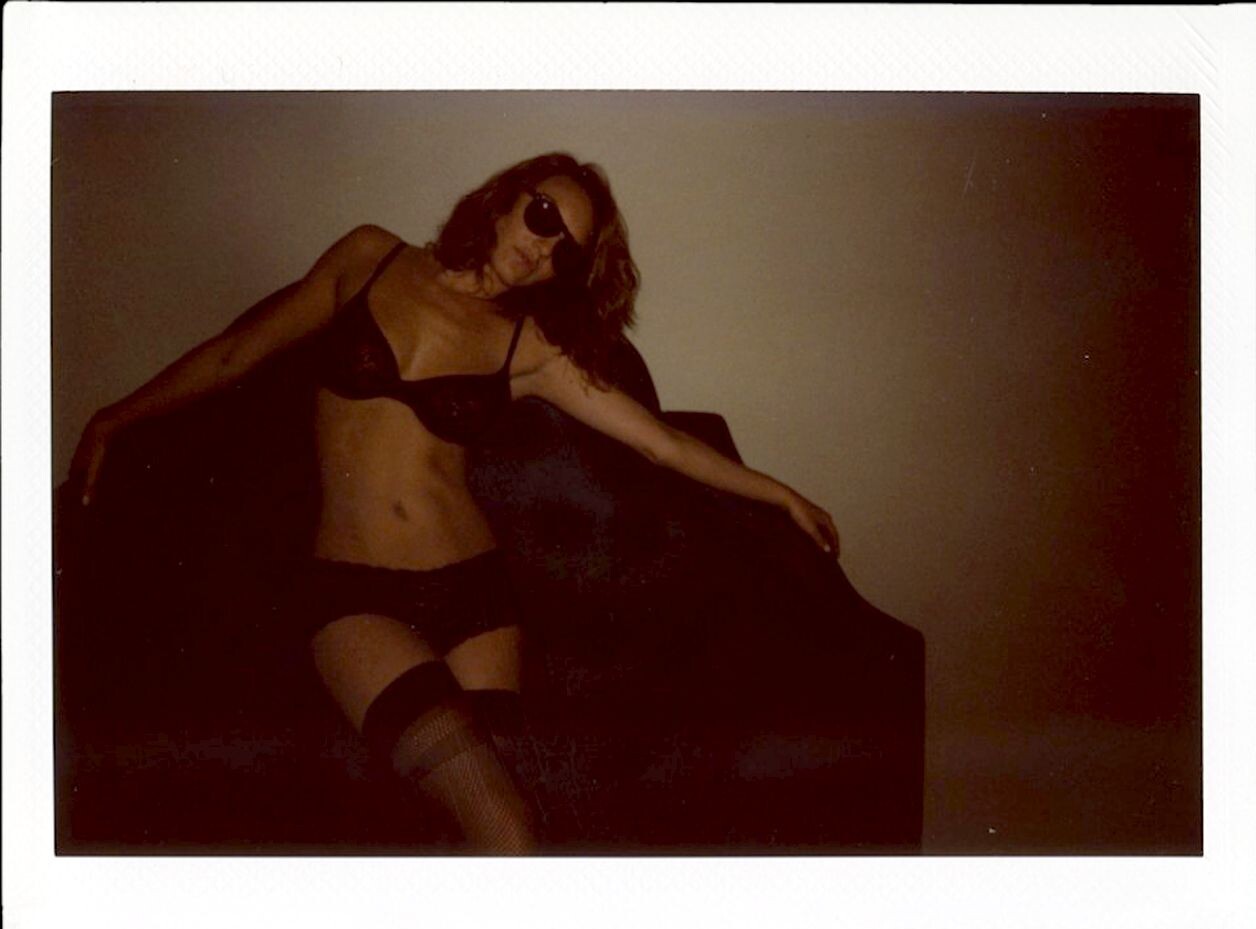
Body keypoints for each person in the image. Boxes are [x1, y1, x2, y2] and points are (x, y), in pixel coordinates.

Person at [70, 152, 840, 855]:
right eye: (543, 215)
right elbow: (235, 353)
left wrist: (782, 496)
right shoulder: (369, 258)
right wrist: (114, 417)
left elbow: (661, 444)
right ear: (506, 197)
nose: (542, 247)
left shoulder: (527, 346)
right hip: (354, 594)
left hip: (475, 598)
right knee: (506, 828)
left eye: (565, 249)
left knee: (468, 831)